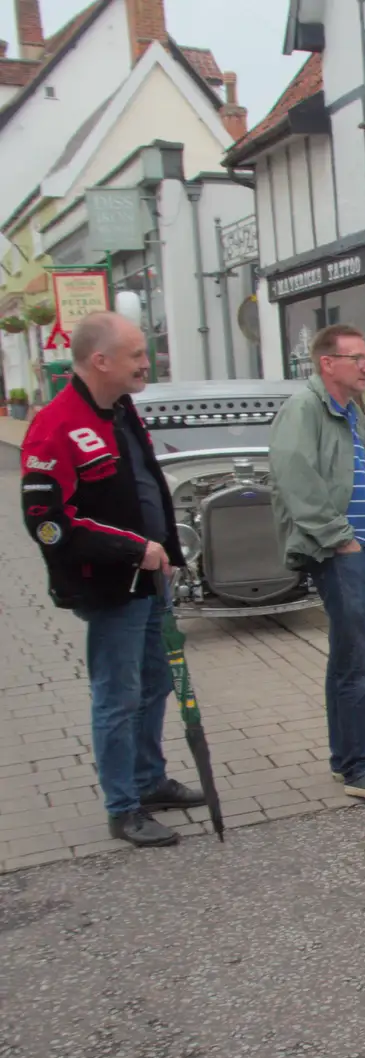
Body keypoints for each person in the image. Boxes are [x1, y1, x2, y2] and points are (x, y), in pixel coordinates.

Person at [19, 312, 207, 848]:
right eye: (136, 355)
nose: (147, 363)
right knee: (117, 695)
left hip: (152, 577)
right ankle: (123, 807)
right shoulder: (55, 424)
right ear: (100, 360)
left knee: (154, 685)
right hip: (109, 586)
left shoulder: (121, 412)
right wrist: (133, 549)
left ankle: (150, 782)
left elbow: (143, 489)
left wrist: (167, 550)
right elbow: (48, 523)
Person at [269, 324, 365, 802]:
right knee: (358, 660)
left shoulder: (346, 413)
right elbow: (295, 479)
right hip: (339, 551)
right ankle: (359, 766)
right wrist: (340, 540)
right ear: (328, 363)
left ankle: (348, 753)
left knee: (348, 658)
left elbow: (364, 484)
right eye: (358, 358)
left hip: (362, 552)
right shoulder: (305, 410)